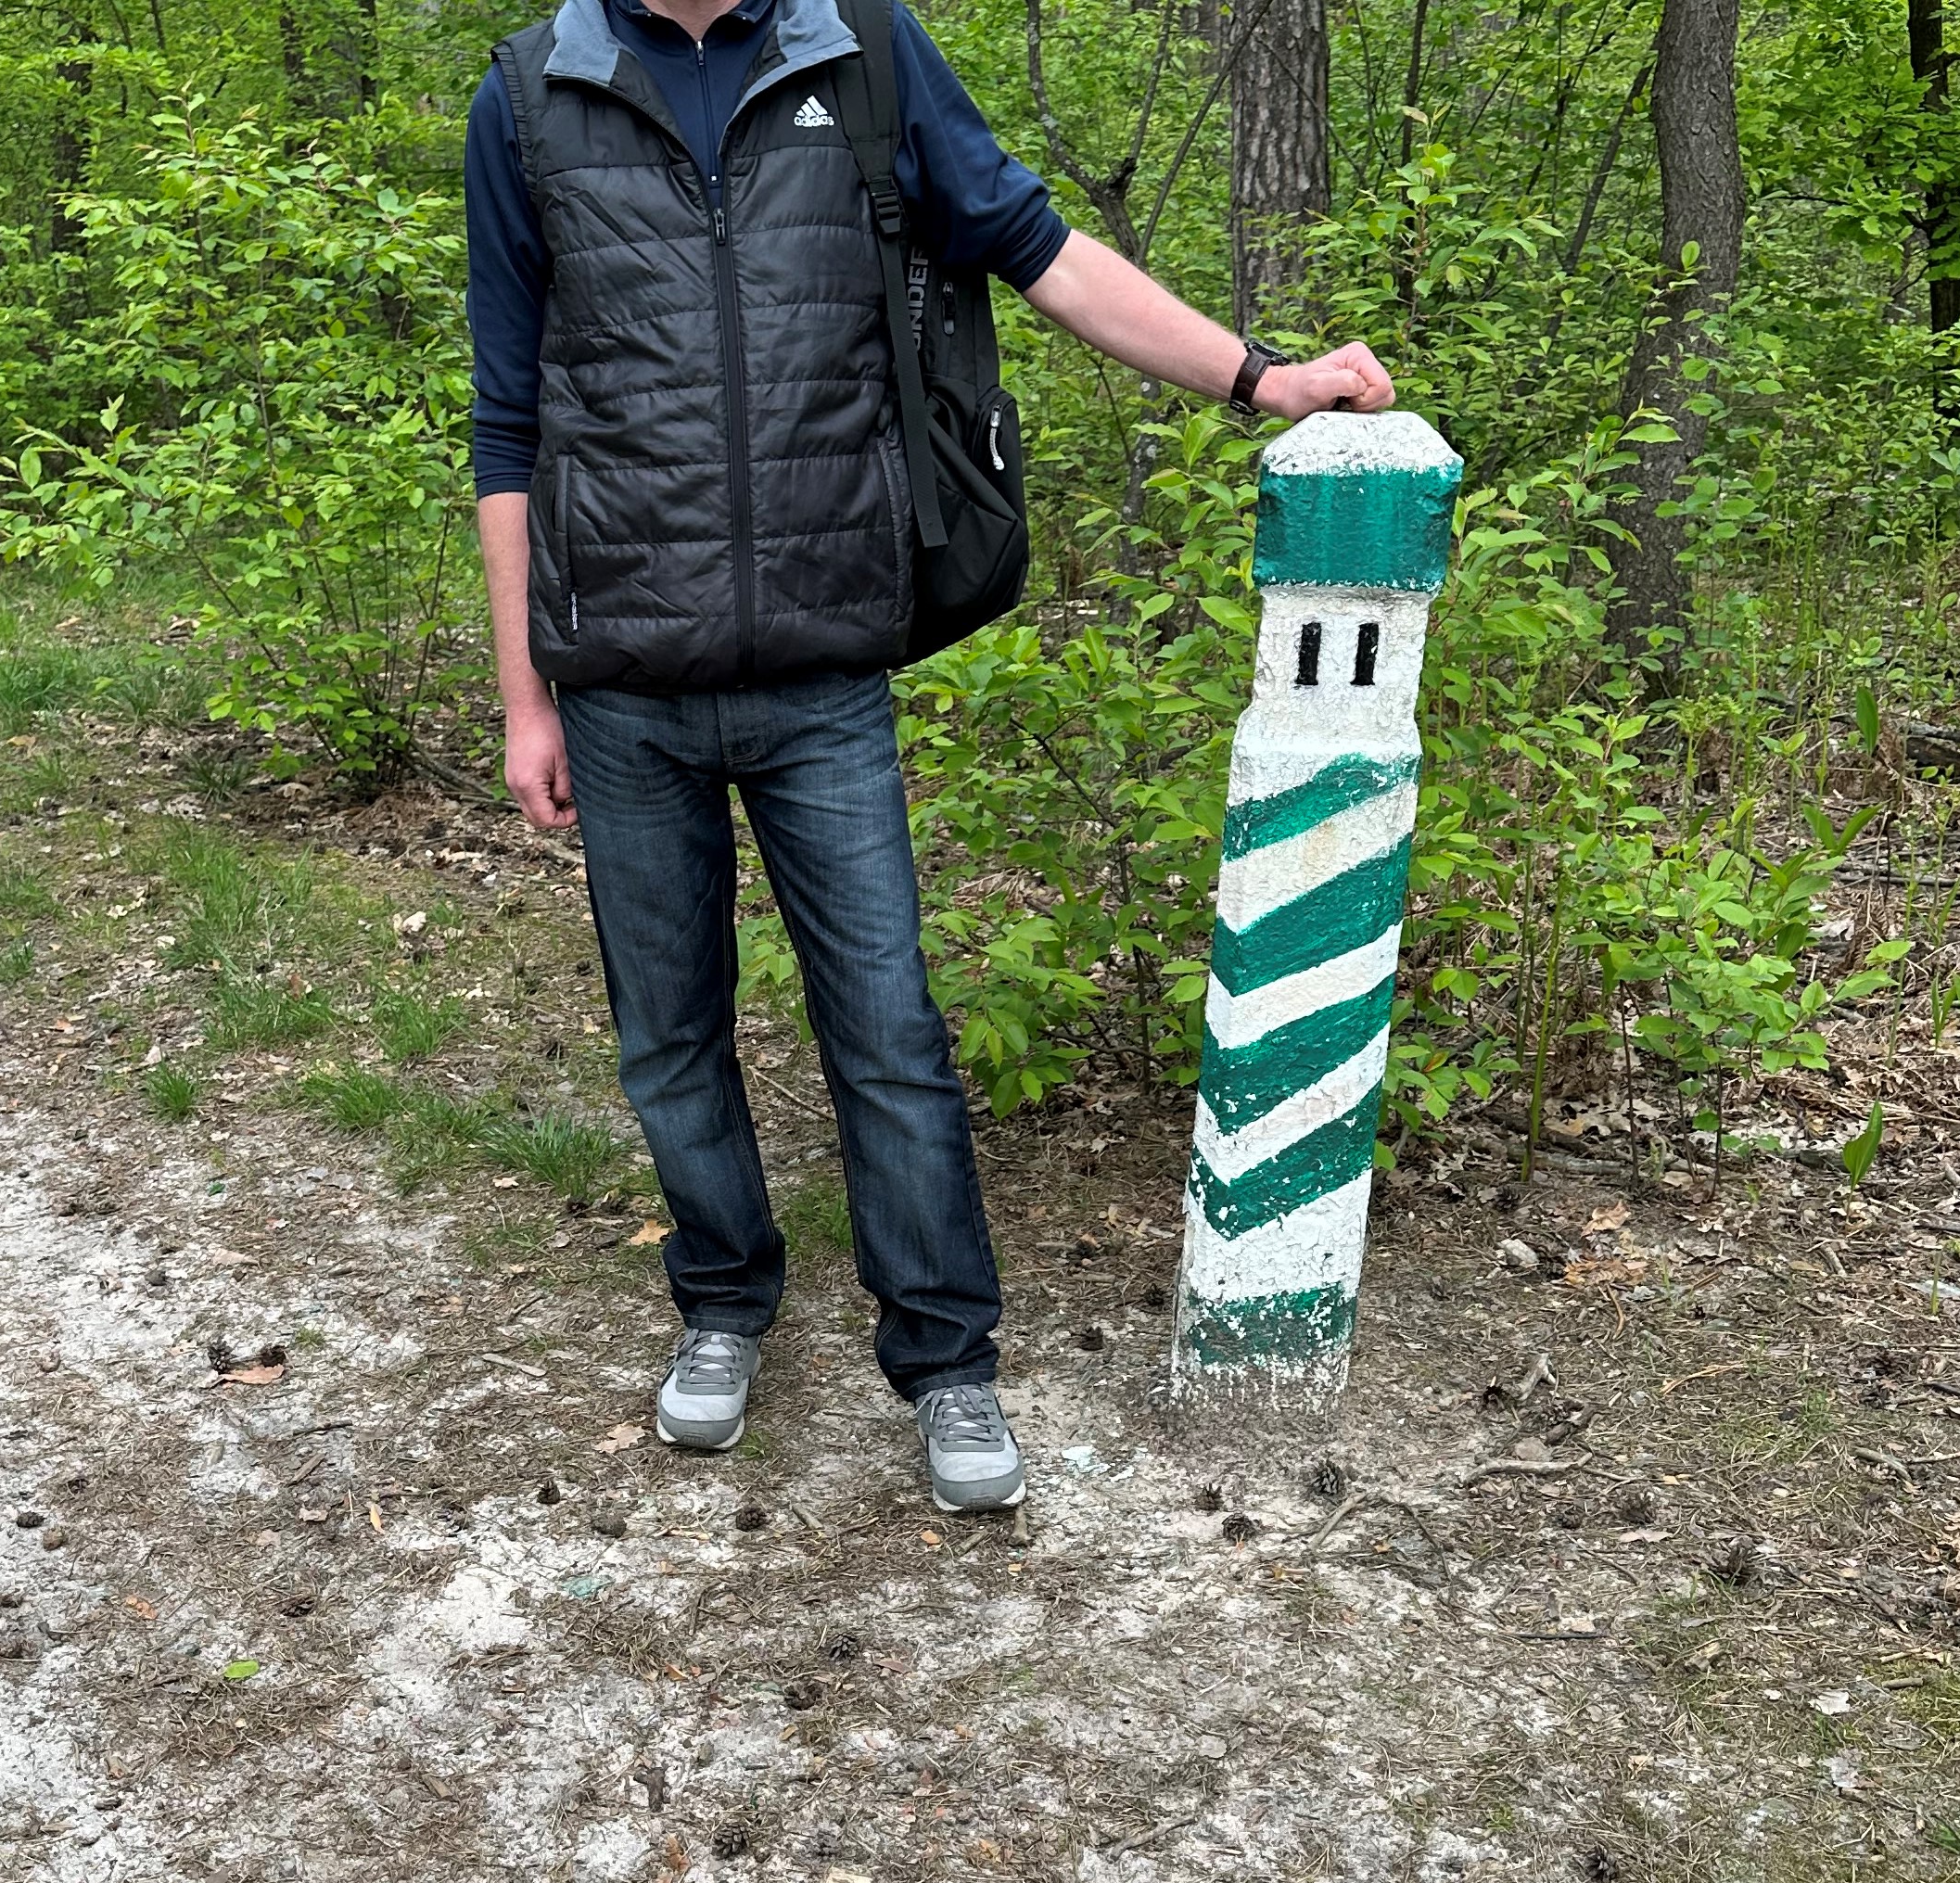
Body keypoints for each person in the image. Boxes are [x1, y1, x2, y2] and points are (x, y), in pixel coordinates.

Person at [465, 0, 1394, 1511]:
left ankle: (947, 1358)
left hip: (823, 669)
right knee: (667, 1036)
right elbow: (509, 419)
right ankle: (722, 1300)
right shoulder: (527, 94)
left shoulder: (860, 52)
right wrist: (526, 697)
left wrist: (1259, 376)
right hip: (619, 680)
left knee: (888, 1031)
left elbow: (1043, 253)